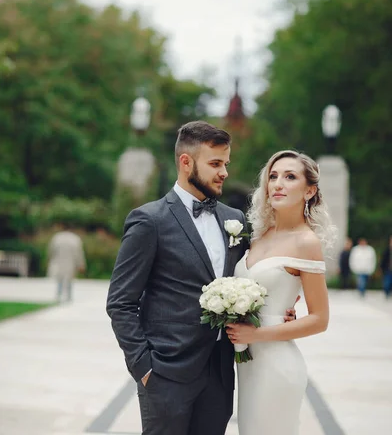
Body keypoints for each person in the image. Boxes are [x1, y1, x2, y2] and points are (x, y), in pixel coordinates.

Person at [106, 122, 296, 435]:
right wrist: (144, 366)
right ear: (186, 162)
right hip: (165, 373)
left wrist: (281, 308)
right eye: (215, 164)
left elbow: (251, 277)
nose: (224, 172)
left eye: (226, 164)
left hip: (220, 374)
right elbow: (120, 302)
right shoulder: (149, 220)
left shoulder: (234, 220)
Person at [226, 150, 334, 435]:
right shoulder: (260, 235)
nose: (278, 183)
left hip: (277, 365)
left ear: (309, 190)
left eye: (290, 177)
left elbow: (320, 319)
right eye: (273, 177)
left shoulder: (306, 241)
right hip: (248, 365)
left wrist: (255, 334)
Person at [47, 226, 86, 302]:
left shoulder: (57, 237)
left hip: (59, 262)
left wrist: (49, 259)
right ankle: (68, 296)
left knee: (60, 279)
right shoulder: (75, 239)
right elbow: (79, 253)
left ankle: (59, 295)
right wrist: (81, 264)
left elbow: (51, 251)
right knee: (69, 279)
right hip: (70, 262)